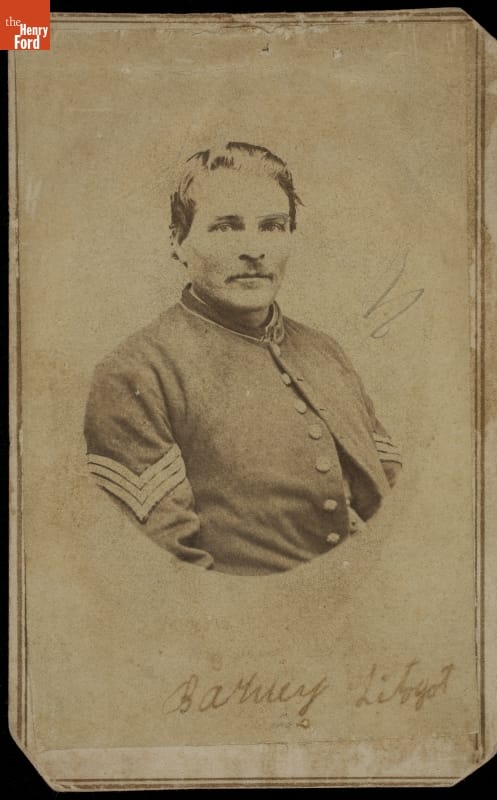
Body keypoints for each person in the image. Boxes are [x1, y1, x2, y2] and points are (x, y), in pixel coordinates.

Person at [84, 141, 402, 576]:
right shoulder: (136, 373)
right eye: (227, 228)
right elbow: (169, 569)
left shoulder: (324, 351)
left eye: (272, 226)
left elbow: (392, 500)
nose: (254, 249)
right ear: (178, 242)